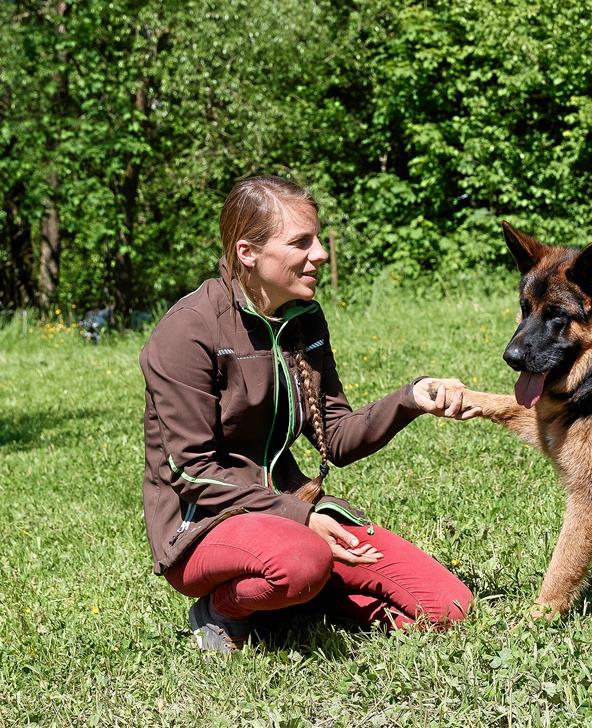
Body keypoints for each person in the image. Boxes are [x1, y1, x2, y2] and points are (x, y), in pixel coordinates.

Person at [141, 175, 478, 653]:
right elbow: (190, 470)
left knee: (447, 608)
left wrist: (410, 399)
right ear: (247, 253)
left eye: (317, 239)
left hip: (291, 513)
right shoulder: (188, 332)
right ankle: (223, 608)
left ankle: (295, 598)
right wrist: (298, 515)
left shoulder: (305, 318)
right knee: (300, 561)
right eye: (301, 242)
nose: (319, 253)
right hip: (202, 526)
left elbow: (335, 438)